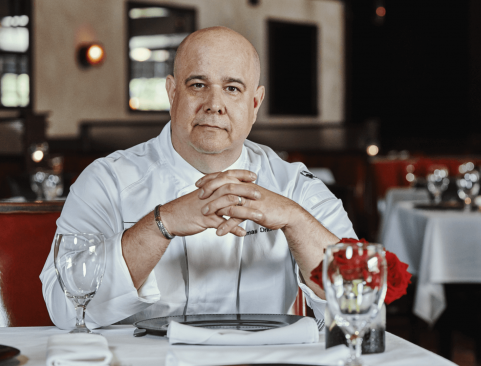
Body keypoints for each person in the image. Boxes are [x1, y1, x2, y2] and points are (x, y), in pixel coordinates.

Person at [40, 26, 355, 329]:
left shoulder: (295, 186)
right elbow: (64, 308)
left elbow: (359, 309)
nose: (214, 105)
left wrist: (295, 220)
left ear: (255, 103)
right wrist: (161, 223)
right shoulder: (106, 181)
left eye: (232, 88)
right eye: (197, 85)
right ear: (172, 92)